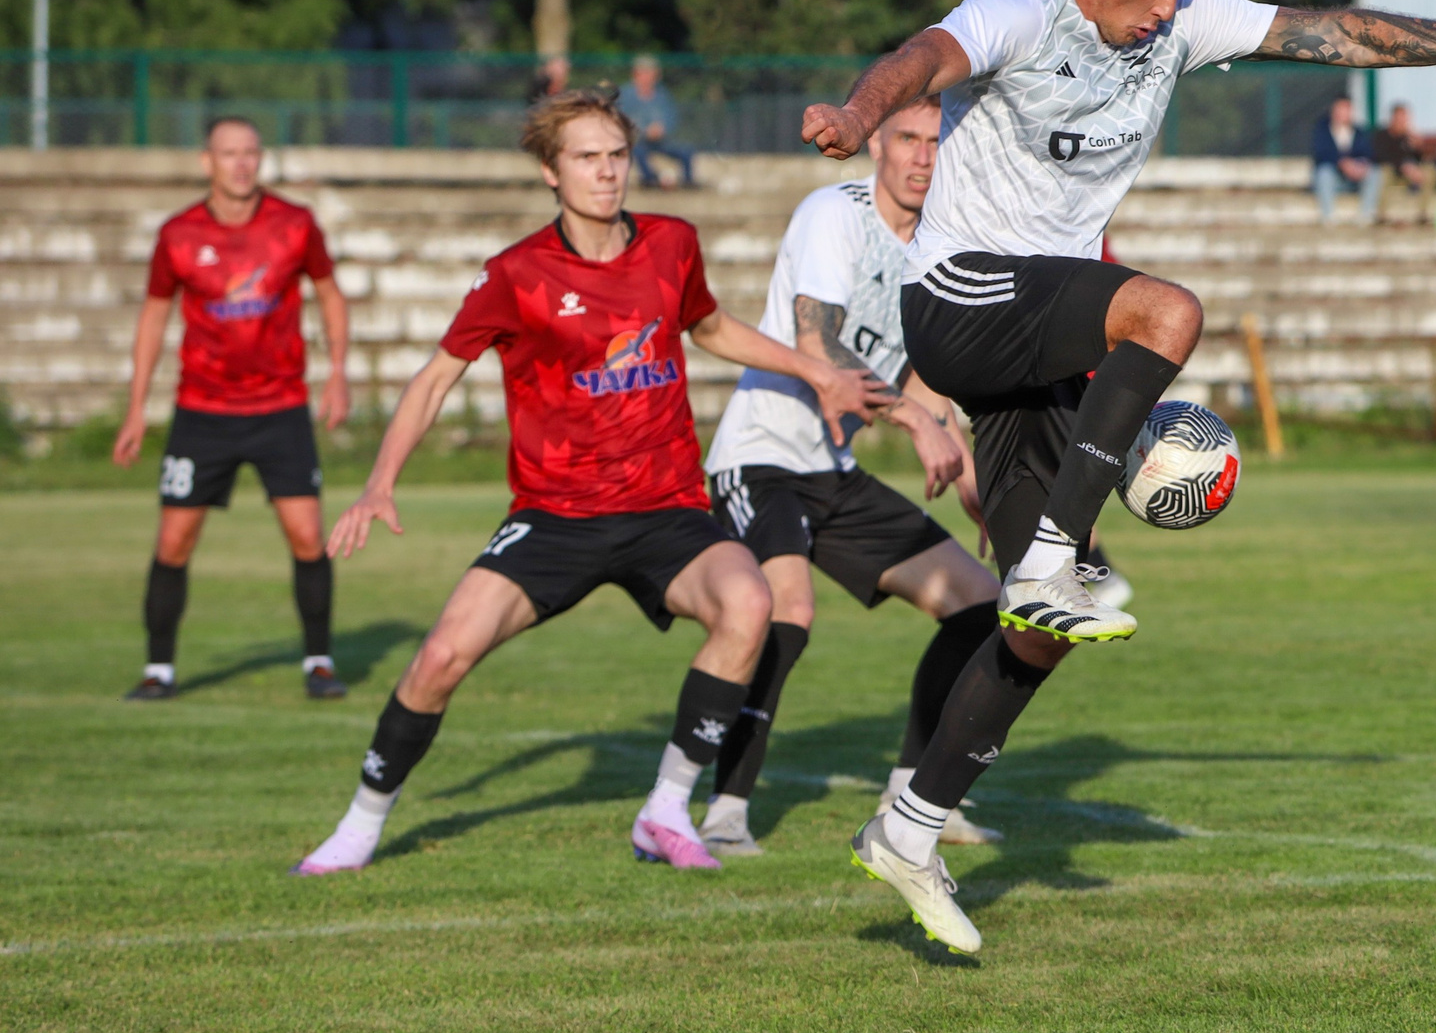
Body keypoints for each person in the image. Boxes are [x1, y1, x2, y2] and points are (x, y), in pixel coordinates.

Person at [799, 0, 1436, 951]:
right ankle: (1041, 556)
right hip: (959, 297)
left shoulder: (1181, 18)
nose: (1174, 8)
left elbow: (1336, 33)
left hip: (1035, 335)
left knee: (1038, 639)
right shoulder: (1022, 13)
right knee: (1165, 310)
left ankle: (910, 823)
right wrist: (855, 113)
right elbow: (925, 56)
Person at [292, 89, 887, 877]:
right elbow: (437, 378)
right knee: (439, 658)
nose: (606, 173)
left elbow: (707, 327)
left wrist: (815, 370)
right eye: (586, 158)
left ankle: (666, 809)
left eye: (616, 156)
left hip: (665, 509)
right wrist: (378, 484)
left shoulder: (673, 242)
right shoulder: (516, 275)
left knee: (750, 604)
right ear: (550, 171)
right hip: (556, 515)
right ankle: (361, 825)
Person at [698, 94, 1001, 857]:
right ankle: (724, 811)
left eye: (938, 141)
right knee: (786, 611)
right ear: (877, 147)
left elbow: (933, 386)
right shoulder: (835, 214)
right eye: (907, 137)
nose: (923, 156)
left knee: (979, 605)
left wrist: (975, 481)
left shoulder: (942, 248)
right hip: (760, 457)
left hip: (830, 472)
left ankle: (912, 803)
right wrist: (915, 425)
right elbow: (820, 345)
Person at [112, 117, 352, 702]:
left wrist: (338, 372)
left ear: (260, 159)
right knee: (174, 541)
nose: (241, 164)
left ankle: (319, 662)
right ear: (207, 162)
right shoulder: (178, 234)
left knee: (307, 535)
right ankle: (159, 670)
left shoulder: (295, 224)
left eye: (250, 153)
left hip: (281, 407)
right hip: (203, 411)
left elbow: (328, 292)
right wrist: (136, 406)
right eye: (229, 153)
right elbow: (154, 314)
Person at [1308, 94, 1382, 224]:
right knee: (1324, 172)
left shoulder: (1358, 132)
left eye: (1346, 109)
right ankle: (1328, 216)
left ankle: (1366, 215)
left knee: (1375, 173)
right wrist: (1342, 163)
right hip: (1333, 179)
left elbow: (1368, 153)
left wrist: (1360, 166)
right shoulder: (1321, 129)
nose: (1343, 113)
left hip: (1354, 179)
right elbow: (1321, 153)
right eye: (1340, 109)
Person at [626, 55, 698, 189]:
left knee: (686, 150)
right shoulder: (626, 95)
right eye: (644, 73)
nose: (648, 77)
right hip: (638, 141)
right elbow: (623, 119)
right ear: (636, 74)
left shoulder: (662, 95)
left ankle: (688, 181)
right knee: (637, 151)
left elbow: (671, 117)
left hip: (660, 141)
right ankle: (650, 179)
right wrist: (644, 130)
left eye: (651, 73)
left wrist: (662, 128)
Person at [1374, 101, 1428, 195]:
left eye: (1405, 118)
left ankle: (1421, 205)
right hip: (1392, 172)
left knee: (1428, 172)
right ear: (1392, 118)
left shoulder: (1407, 137)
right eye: (1400, 118)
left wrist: (1418, 148)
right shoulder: (1382, 136)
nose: (1403, 122)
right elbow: (1381, 157)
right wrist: (1402, 166)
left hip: (1410, 172)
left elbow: (1418, 159)